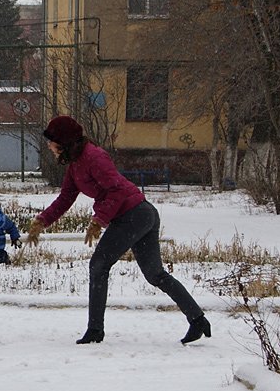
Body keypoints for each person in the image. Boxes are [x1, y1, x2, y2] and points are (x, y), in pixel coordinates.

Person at [27, 115, 211, 345]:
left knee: (99, 265)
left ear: (65, 141)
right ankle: (198, 319)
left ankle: (95, 330)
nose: (49, 146)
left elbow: (116, 191)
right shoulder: (75, 166)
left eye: (51, 141)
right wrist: (42, 221)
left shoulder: (95, 157)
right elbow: (65, 198)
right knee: (154, 274)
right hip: (138, 215)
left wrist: (98, 221)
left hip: (135, 215)